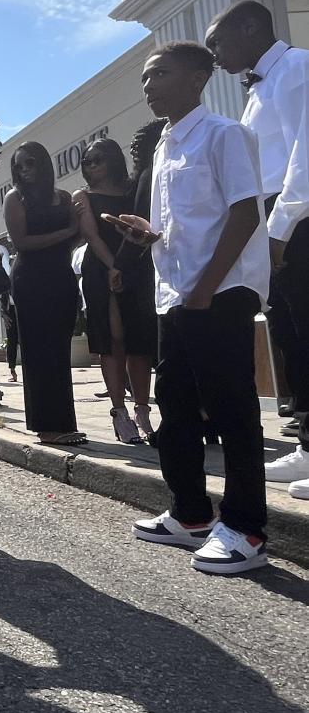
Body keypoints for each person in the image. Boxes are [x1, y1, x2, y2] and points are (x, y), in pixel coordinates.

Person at [118, 41, 271, 574]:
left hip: (220, 293)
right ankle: (190, 515)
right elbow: (177, 227)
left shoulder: (224, 134)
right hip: (176, 294)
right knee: (176, 409)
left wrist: (207, 287)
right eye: (144, 78)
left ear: (198, 77)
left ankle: (246, 528)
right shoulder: (164, 148)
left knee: (233, 412)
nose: (148, 85)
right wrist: (148, 237)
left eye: (159, 73)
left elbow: (246, 214)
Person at [206, 0, 309, 500]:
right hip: (274, 221)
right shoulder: (255, 92)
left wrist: (282, 225)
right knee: (291, 337)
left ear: (250, 28)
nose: (216, 56)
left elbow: (304, 154)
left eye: (219, 43)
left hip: (299, 220)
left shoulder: (297, 68)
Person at [73, 138, 157, 444]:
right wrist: (113, 267)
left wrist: (124, 265)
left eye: (98, 160)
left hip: (136, 268)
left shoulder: (132, 191)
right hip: (102, 270)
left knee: (140, 341)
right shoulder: (83, 196)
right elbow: (91, 237)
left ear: (113, 160)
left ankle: (143, 411)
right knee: (113, 340)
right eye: (87, 162)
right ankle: (119, 412)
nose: (92, 166)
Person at [4, 142, 84, 445]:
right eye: (19, 166)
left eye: (31, 163)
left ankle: (64, 422)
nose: (25, 170)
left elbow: (76, 237)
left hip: (61, 277)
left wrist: (78, 227)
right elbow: (22, 242)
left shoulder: (62, 197)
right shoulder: (15, 198)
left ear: (44, 164)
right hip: (31, 280)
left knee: (59, 350)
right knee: (38, 351)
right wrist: (67, 232)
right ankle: (46, 426)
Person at [0, 292, 19, 382]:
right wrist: (4, 314)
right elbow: (2, 299)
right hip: (10, 311)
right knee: (12, 341)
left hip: (23, 308)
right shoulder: (6, 285)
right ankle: (12, 370)